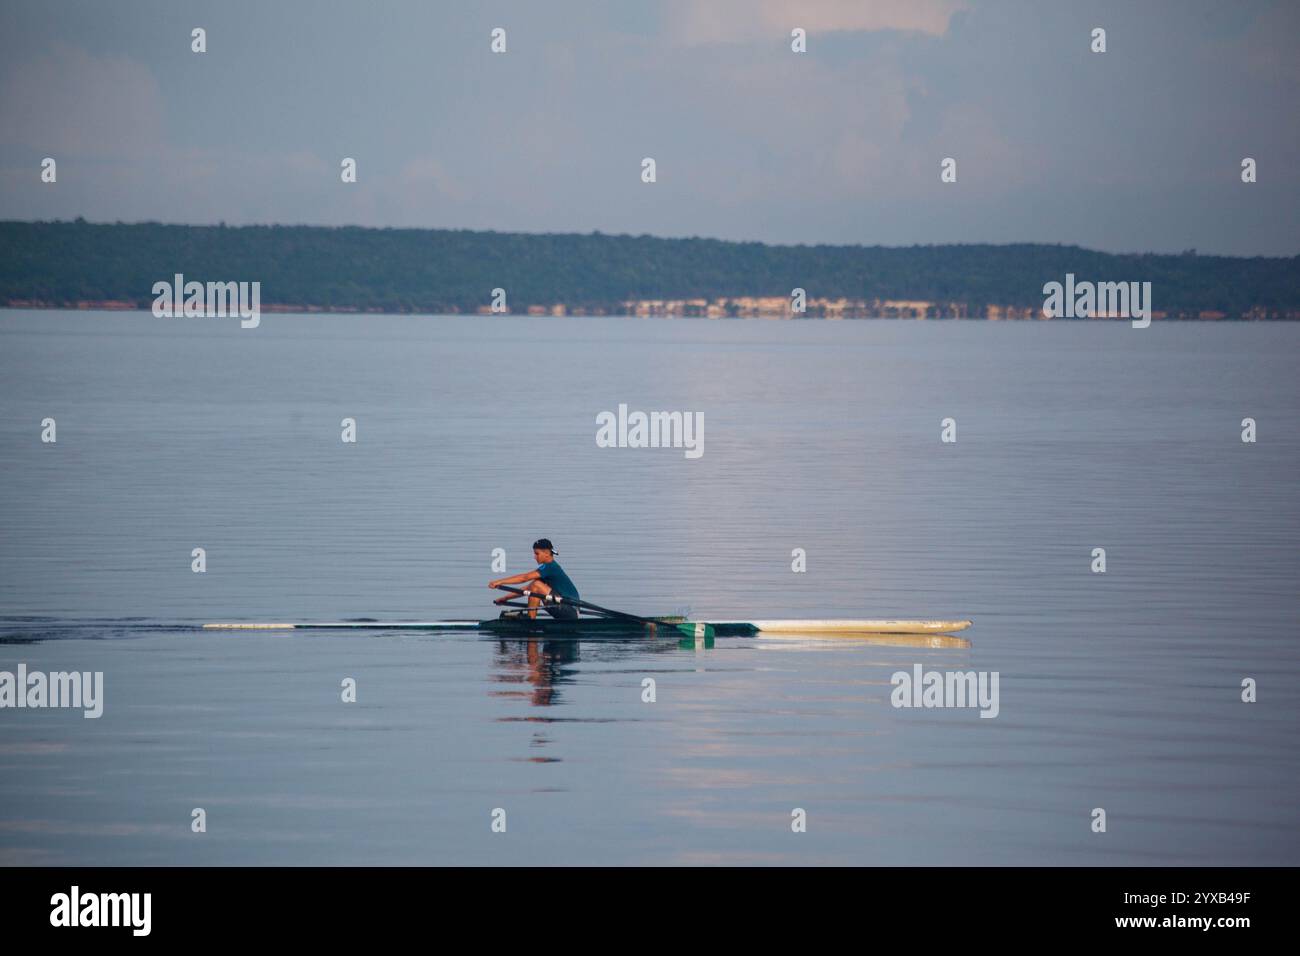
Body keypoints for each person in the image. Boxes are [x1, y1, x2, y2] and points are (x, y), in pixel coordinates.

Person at [488, 539, 580, 620]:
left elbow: (524, 578)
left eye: (537, 553)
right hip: (563, 607)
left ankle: (530, 621)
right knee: (534, 586)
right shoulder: (547, 569)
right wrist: (505, 598)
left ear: (547, 553)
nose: (534, 557)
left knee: (536, 585)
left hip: (570, 609)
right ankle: (531, 620)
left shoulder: (550, 567)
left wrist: (499, 582)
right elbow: (527, 588)